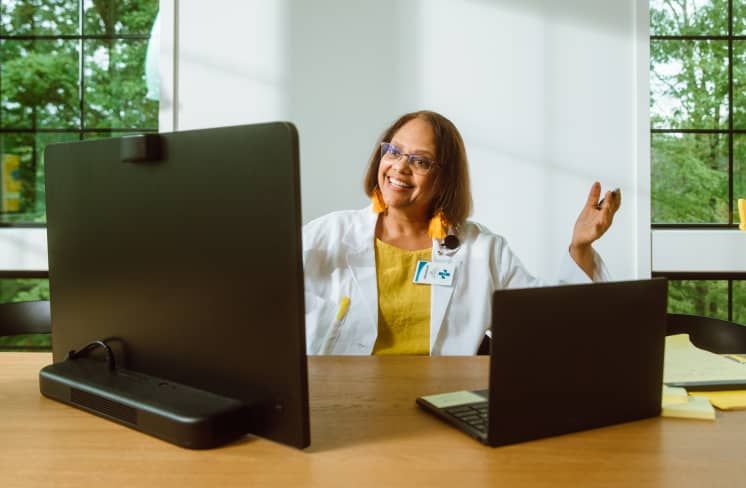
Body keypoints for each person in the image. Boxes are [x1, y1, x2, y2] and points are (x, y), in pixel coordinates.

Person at [303, 110, 621, 356]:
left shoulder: (482, 250)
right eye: (394, 152)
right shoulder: (327, 234)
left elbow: (551, 323)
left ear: (445, 179)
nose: (400, 167)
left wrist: (580, 246)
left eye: (420, 161)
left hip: (442, 399)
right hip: (346, 399)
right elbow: (273, 307)